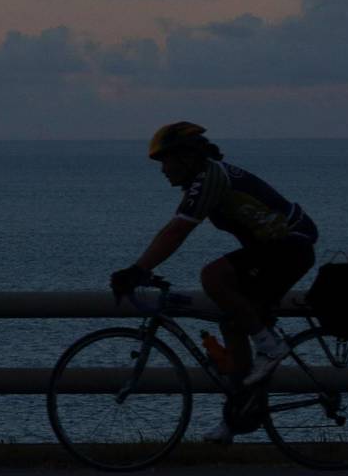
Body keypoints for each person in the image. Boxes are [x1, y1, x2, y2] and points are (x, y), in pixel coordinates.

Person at [110, 121, 319, 442]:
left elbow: (176, 232)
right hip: (278, 250)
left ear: (186, 157)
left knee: (213, 275)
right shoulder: (205, 180)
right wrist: (140, 268)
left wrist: (136, 270)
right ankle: (236, 417)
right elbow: (171, 230)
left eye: (165, 161)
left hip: (291, 245)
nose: (162, 169)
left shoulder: (209, 178)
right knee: (232, 324)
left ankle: (271, 346)